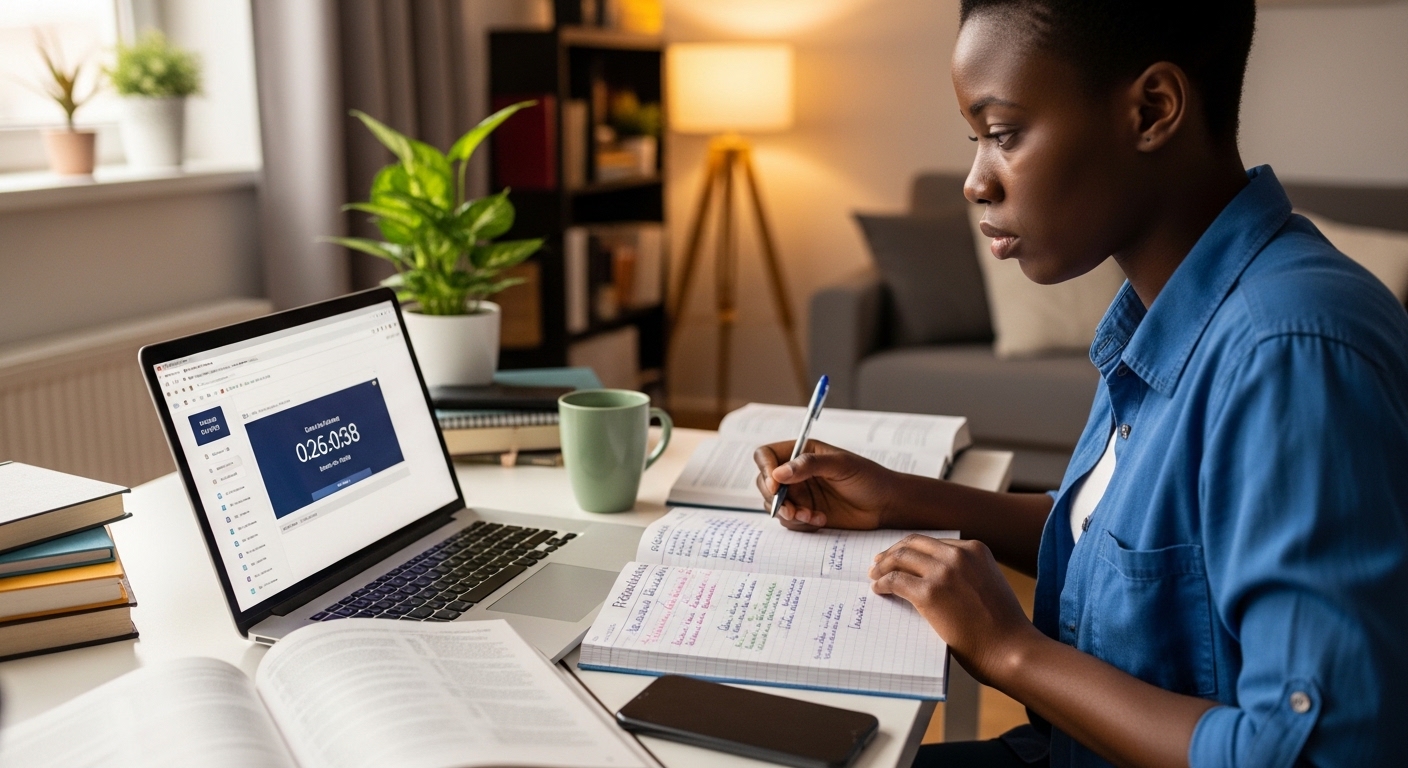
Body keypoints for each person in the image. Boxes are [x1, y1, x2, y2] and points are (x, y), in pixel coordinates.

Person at [753, 1, 1408, 766]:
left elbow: (1314, 753)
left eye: (1003, 133)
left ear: (1153, 110)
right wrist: (901, 498)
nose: (975, 183)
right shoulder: (1164, 308)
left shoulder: (1290, 356)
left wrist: (1011, 651)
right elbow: (1127, 546)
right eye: (974, 140)